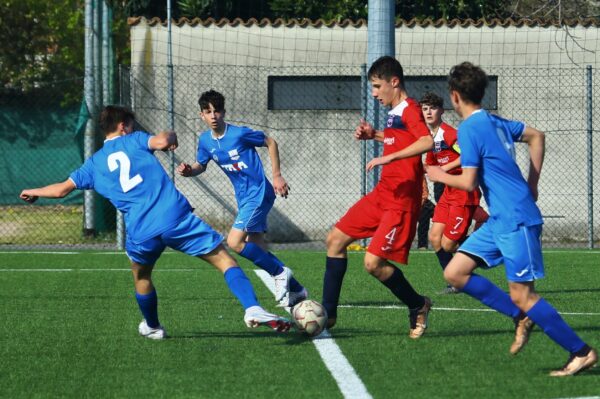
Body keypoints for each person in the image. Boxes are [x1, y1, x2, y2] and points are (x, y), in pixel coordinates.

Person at [20, 105, 292, 339]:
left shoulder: (92, 164)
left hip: (141, 230)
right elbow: (162, 140)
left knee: (142, 276)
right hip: (175, 218)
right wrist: (170, 137)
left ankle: (152, 326)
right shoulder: (136, 139)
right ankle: (251, 307)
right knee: (225, 260)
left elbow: (60, 190)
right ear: (123, 126)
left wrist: (34, 191)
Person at [426, 62, 597, 376]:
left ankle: (581, 352)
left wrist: (437, 174)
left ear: (454, 96)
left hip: (516, 219)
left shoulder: (469, 127)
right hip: (500, 219)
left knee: (524, 294)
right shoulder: (494, 121)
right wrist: (533, 183)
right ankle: (520, 317)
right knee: (455, 272)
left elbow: (468, 182)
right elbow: (536, 136)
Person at [322, 56, 434, 339]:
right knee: (335, 240)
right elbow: (401, 138)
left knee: (373, 264)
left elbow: (426, 141)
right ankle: (327, 314)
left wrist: (392, 156)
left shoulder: (410, 109)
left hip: (400, 201)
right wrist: (375, 135)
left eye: (376, 86)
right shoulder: (395, 111)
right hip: (382, 194)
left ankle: (418, 304)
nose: (374, 93)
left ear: (394, 82)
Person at [177, 90, 307, 307]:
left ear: (224, 112)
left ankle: (280, 273)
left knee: (234, 242)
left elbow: (271, 142)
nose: (213, 116)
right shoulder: (205, 141)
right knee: (257, 249)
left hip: (259, 193)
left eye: (217, 110)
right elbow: (202, 164)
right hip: (244, 197)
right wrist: (190, 170)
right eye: (208, 112)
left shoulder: (238, 134)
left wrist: (276, 176)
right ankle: (297, 290)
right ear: (201, 115)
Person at [420, 92, 488, 294]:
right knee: (434, 238)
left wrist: (444, 169)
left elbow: (469, 154)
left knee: (448, 244)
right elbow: (430, 164)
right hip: (448, 193)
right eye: (425, 109)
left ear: (441, 111)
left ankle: (483, 252)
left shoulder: (449, 134)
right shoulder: (429, 138)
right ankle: (455, 282)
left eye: (432, 108)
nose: (428, 112)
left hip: (463, 192)